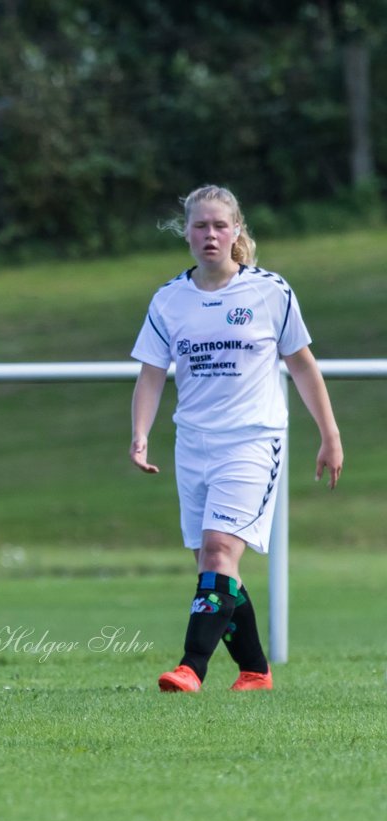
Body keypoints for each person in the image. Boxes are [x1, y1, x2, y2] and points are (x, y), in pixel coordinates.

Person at [129, 184, 342, 693]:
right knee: (213, 565)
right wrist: (140, 434)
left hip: (252, 441)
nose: (210, 235)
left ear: (237, 231)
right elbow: (152, 374)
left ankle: (190, 667)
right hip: (193, 443)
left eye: (220, 226)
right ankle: (255, 671)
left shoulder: (269, 292)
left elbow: (304, 367)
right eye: (200, 225)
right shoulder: (169, 300)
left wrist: (329, 434)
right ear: (186, 232)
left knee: (220, 550)